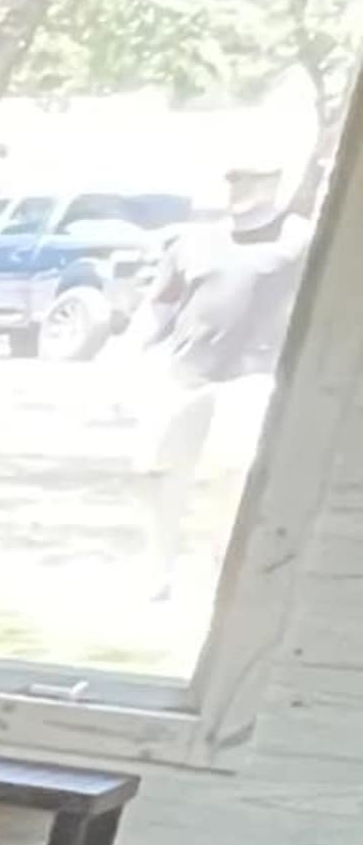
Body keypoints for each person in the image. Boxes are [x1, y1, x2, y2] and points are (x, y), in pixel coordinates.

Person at [129, 164, 310, 596]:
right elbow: (161, 305)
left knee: (232, 475)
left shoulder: (301, 239)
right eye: (233, 179)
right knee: (155, 470)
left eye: (250, 178)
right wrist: (132, 359)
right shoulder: (196, 240)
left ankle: (222, 575)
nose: (239, 188)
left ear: (275, 182)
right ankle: (158, 568)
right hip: (186, 371)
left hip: (256, 375)